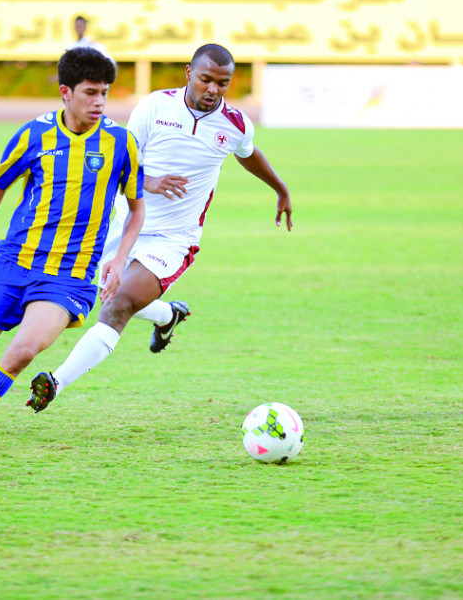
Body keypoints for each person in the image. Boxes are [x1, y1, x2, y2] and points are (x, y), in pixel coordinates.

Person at [26, 43, 293, 412]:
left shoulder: (234, 125)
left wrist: (280, 189)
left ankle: (55, 382)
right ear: (188, 74)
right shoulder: (155, 107)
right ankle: (168, 315)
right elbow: (123, 158)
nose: (213, 89)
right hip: (125, 223)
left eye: (223, 83)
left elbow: (249, 153)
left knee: (117, 304)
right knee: (91, 288)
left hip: (173, 240)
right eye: (205, 80)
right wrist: (148, 182)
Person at [0, 46, 145, 454]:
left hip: (68, 278)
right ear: (65, 92)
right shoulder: (34, 135)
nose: (100, 102)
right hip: (14, 264)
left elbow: (137, 210)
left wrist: (119, 258)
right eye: (90, 92)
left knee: (20, 353)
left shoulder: (120, 143)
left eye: (105, 93)